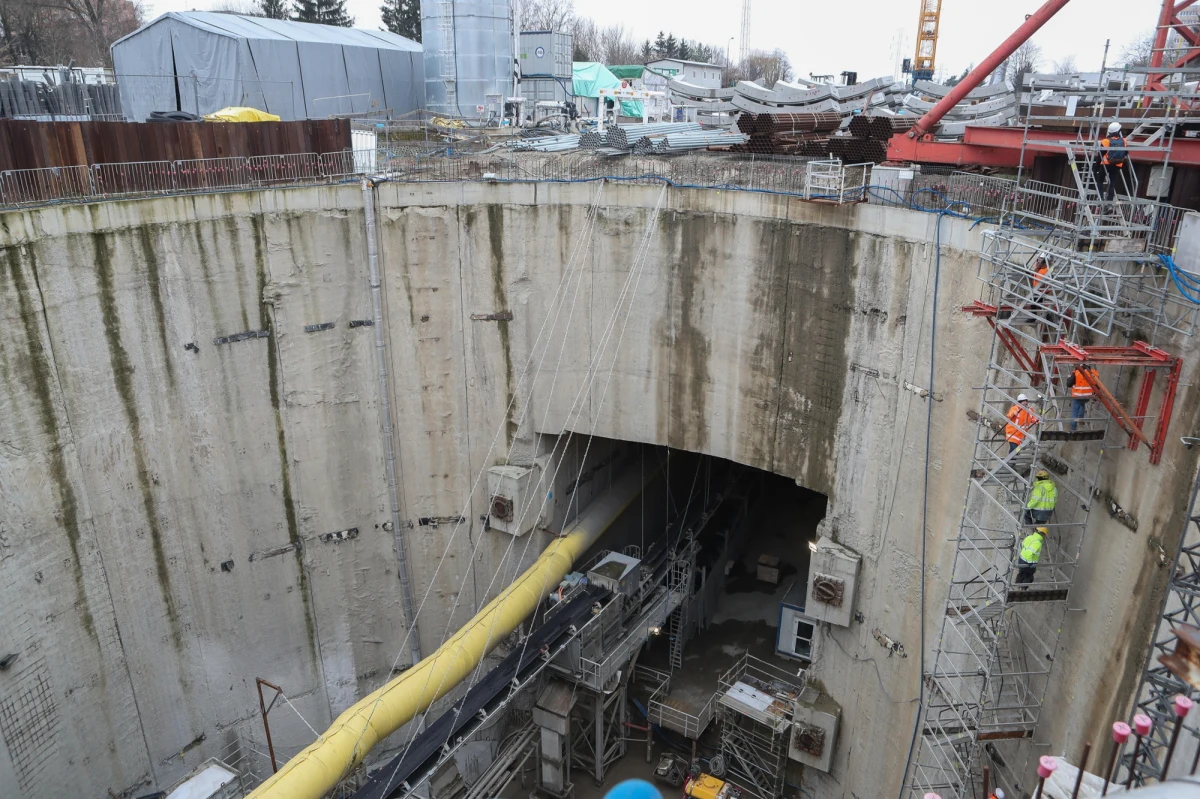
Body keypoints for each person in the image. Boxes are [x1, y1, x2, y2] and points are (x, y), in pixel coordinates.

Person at [1098, 121, 1129, 201]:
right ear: (1119, 131)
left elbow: (1100, 155)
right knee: (1112, 183)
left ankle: (1100, 197)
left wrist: (1095, 167)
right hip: (1117, 165)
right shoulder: (1124, 141)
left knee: (1100, 181)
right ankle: (1109, 201)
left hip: (1105, 164)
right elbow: (1126, 153)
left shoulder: (1105, 141)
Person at [1067, 365, 1094, 432]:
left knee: (1074, 413)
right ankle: (1081, 420)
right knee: (1082, 404)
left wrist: (1069, 377)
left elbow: (1068, 384)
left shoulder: (1076, 373)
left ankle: (1073, 428)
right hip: (1087, 396)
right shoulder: (1092, 373)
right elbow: (1096, 385)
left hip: (1078, 396)